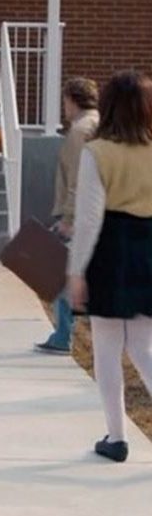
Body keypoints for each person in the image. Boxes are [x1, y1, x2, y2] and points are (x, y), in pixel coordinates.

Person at [68, 70, 152, 463]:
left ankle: (116, 437)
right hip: (148, 247)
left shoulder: (97, 152)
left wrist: (76, 271)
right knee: (142, 346)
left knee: (106, 348)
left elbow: (88, 220)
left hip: (110, 248)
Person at [35, 77, 99, 355]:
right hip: (99, 210)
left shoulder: (79, 131)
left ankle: (64, 335)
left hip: (79, 212)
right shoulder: (101, 124)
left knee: (59, 268)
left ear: (72, 99)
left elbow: (77, 178)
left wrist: (69, 218)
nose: (64, 107)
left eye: (65, 100)